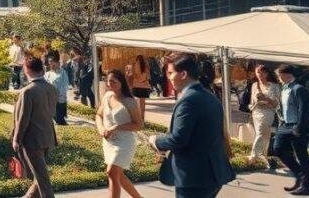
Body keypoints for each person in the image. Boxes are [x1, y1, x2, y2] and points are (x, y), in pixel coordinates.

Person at [147, 53, 235, 198]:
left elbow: (178, 139)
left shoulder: (188, 100)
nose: (168, 78)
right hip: (213, 174)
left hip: (194, 177)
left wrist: (155, 141)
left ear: (183, 74)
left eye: (170, 73)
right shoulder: (210, 97)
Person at [12, 57, 58, 198]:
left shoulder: (28, 91)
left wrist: (16, 139)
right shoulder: (51, 88)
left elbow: (23, 119)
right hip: (48, 137)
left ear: (27, 70)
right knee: (39, 174)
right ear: (42, 69)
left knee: (42, 179)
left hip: (32, 140)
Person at [96, 69, 144, 198]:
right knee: (117, 175)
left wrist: (116, 127)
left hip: (125, 142)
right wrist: (101, 129)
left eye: (113, 82)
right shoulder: (107, 96)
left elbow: (139, 125)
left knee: (111, 172)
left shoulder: (129, 101)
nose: (109, 84)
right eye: (108, 81)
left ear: (121, 82)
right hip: (108, 141)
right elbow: (99, 115)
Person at [273, 64, 309, 195]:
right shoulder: (284, 88)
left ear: (286, 74)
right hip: (286, 125)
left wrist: (299, 128)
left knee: (302, 156)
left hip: (297, 126)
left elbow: (304, 110)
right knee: (278, 149)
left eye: (279, 75)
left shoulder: (298, 89)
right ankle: (300, 175)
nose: (278, 78)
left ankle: (307, 187)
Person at [247, 64, 280, 167]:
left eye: (261, 72)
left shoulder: (274, 86)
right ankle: (263, 156)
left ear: (266, 73)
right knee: (264, 134)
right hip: (256, 112)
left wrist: (265, 98)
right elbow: (252, 101)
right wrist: (256, 102)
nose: (259, 75)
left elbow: (276, 103)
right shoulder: (254, 85)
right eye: (257, 72)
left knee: (261, 132)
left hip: (268, 112)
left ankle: (253, 156)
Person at [44, 55, 69, 126]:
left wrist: (59, 94)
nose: (51, 65)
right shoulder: (47, 74)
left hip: (60, 99)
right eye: (50, 63)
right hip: (51, 100)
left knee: (60, 119)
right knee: (54, 117)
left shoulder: (63, 72)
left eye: (52, 62)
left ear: (58, 63)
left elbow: (65, 85)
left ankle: (64, 127)